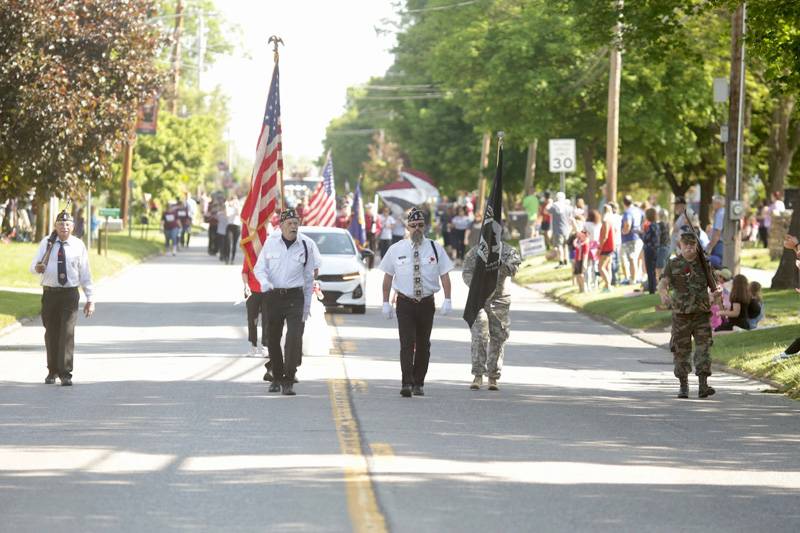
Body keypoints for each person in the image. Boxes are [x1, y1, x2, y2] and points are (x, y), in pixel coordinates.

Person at [380, 207, 453, 397]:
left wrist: (448, 299)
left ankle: (418, 382)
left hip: (426, 303)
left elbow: (444, 274)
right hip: (405, 303)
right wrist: (385, 302)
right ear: (407, 227)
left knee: (423, 344)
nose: (417, 229)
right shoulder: (396, 249)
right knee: (406, 343)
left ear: (425, 226)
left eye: (420, 225)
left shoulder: (435, 248)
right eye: (413, 226)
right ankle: (406, 382)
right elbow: (388, 277)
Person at [253, 208, 321, 396]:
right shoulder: (271, 242)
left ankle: (289, 379)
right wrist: (265, 283)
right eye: (290, 223)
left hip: (295, 297)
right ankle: (276, 376)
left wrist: (307, 306)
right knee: (273, 338)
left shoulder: (306, 245)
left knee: (293, 338)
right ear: (281, 225)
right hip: (273, 295)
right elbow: (259, 269)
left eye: (296, 223)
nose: (293, 226)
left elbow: (309, 278)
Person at [29, 209, 95, 386]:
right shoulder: (46, 243)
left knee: (67, 332)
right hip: (50, 294)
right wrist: (38, 268)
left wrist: (90, 298)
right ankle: (52, 371)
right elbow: (32, 266)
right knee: (51, 333)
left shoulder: (78, 245)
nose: (64, 227)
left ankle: (65, 373)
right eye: (60, 224)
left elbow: (85, 273)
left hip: (69, 294)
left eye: (67, 224)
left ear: (72, 227)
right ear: (55, 227)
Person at [658, 229, 718, 399]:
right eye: (686, 245)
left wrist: (715, 294)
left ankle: (703, 386)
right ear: (680, 245)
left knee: (703, 349)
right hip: (681, 314)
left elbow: (714, 284)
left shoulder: (705, 264)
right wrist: (664, 294)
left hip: (701, 313)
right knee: (681, 350)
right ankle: (683, 386)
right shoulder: (673, 263)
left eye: (693, 245)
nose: (689, 248)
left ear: (697, 246)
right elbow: (663, 283)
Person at [462, 229, 521, 391]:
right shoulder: (475, 252)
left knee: (498, 337)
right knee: (479, 335)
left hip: (499, 301)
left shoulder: (509, 251)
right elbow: (466, 272)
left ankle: (493, 376)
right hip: (480, 299)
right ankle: (478, 374)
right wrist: (476, 286)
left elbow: (514, 269)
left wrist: (498, 264)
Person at [620, 195, 644, 285]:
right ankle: (636, 277)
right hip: (639, 236)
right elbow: (643, 220)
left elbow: (628, 224)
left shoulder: (628, 212)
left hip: (630, 238)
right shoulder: (638, 210)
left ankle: (633, 279)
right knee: (636, 258)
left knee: (632, 258)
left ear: (624, 203)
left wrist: (623, 232)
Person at [548, 191, 573, 268]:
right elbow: (570, 218)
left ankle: (561, 261)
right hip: (567, 229)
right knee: (565, 245)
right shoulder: (568, 207)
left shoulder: (555, 206)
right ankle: (566, 260)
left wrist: (550, 202)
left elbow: (547, 210)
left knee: (559, 246)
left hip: (558, 229)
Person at [642, 207, 661, 294]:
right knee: (653, 269)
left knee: (650, 270)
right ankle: (653, 287)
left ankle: (651, 289)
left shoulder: (650, 226)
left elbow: (646, 238)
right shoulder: (657, 225)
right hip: (655, 249)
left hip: (649, 249)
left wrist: (641, 234)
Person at [598, 204, 615, 292]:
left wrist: (599, 248)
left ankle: (608, 285)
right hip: (611, 245)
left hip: (606, 247)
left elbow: (605, 236)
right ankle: (607, 285)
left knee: (601, 267)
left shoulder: (605, 221)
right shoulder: (611, 220)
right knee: (608, 266)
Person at [707, 195, 725, 268]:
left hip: (719, 244)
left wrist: (709, 248)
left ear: (718, 204)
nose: (712, 205)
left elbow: (717, 234)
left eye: (713, 203)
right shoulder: (722, 212)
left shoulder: (719, 214)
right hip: (720, 243)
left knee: (715, 262)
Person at [226, 196, 242, 265]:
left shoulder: (238, 207)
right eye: (233, 200)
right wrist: (227, 205)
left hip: (237, 226)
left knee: (235, 244)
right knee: (228, 243)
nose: (234, 202)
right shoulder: (228, 207)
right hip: (230, 226)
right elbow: (227, 214)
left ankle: (232, 259)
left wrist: (237, 206)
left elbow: (239, 214)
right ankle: (227, 258)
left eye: (235, 200)